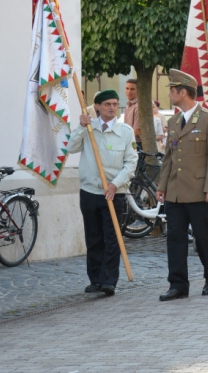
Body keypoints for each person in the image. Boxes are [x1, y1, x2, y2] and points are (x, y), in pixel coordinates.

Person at [156, 69, 208, 300]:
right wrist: (162, 185)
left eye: (172, 91)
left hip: (199, 191)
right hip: (175, 192)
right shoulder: (174, 121)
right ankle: (178, 284)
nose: (170, 95)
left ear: (183, 92)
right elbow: (169, 157)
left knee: (204, 238)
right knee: (174, 239)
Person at [68, 89, 138, 297]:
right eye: (107, 104)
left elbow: (131, 162)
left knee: (112, 237)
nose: (111, 107)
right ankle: (95, 279)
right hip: (90, 191)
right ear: (97, 106)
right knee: (94, 237)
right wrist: (81, 127)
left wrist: (116, 184)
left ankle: (109, 281)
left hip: (113, 193)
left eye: (115, 104)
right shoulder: (88, 129)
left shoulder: (125, 131)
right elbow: (71, 148)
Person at [123, 79, 141, 149]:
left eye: (132, 89)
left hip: (136, 143)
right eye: (127, 88)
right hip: (129, 141)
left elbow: (137, 131)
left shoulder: (138, 106)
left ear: (138, 90)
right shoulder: (128, 106)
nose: (129, 92)